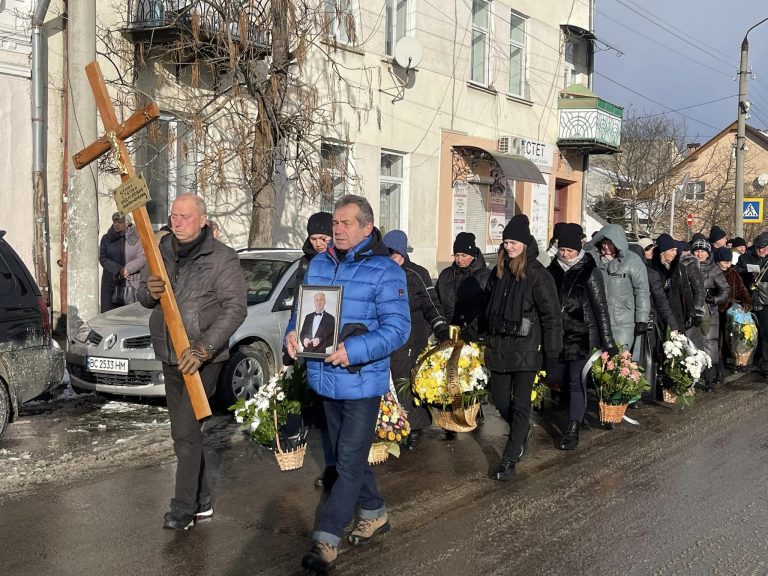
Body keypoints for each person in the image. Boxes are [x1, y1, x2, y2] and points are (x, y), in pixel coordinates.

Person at [284, 195, 409, 574]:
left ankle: (326, 539)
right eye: (335, 223)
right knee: (344, 456)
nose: (337, 230)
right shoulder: (319, 263)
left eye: (346, 223)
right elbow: (301, 311)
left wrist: (353, 350)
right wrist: (292, 334)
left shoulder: (386, 271)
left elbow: (398, 329)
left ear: (367, 228)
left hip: (361, 381)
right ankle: (374, 511)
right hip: (324, 379)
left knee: (349, 462)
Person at [137, 194, 247, 531]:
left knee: (185, 431)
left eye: (185, 216)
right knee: (183, 431)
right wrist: (149, 291)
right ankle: (202, 500)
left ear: (203, 220)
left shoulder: (222, 257)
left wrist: (203, 348)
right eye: (174, 215)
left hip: (202, 358)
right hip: (169, 352)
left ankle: (183, 508)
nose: (177, 222)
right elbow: (142, 296)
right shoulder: (160, 250)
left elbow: (235, 309)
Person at [484, 215, 562, 481]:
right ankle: (522, 431)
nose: (509, 247)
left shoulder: (538, 276)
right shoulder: (498, 272)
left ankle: (508, 460)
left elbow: (552, 318)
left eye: (514, 242)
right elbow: (488, 307)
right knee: (500, 401)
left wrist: (552, 355)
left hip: (526, 350)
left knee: (520, 406)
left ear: (525, 243)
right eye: (506, 242)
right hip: (499, 347)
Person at [546, 223, 616, 450]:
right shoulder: (552, 270)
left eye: (570, 250)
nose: (565, 254)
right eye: (562, 250)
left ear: (578, 250)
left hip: (582, 335)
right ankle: (573, 414)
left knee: (575, 381)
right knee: (558, 377)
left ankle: (573, 428)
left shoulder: (589, 270)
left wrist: (608, 342)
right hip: (557, 335)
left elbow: (600, 308)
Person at [383, 229, 450, 451]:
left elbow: (431, 303)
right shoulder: (381, 272)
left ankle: (414, 428)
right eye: (386, 253)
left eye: (393, 254)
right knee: (388, 382)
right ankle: (390, 426)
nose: (390, 258)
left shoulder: (416, 274)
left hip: (412, 336)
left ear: (402, 253)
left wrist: (440, 327)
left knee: (405, 382)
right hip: (387, 336)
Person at [288, 211, 334, 488]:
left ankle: (339, 466)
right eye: (314, 238)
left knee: (333, 408)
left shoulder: (339, 260)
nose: (318, 243)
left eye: (323, 238)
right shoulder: (305, 264)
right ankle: (330, 464)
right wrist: (291, 333)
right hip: (309, 342)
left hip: (334, 342)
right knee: (319, 406)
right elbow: (298, 304)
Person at [628, 243, 679, 403]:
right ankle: (636, 393)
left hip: (646, 323)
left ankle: (641, 393)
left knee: (644, 359)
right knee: (639, 359)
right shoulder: (627, 273)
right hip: (634, 322)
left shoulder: (649, 274)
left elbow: (661, 301)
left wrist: (672, 325)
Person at [590, 224, 651, 355]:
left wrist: (642, 319)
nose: (606, 247)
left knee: (620, 360)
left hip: (624, 321)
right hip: (599, 321)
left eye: (610, 243)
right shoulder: (594, 261)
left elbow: (641, 291)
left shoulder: (633, 261)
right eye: (603, 243)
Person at [649, 234, 707, 352]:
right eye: (672, 250)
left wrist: (692, 313)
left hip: (677, 314)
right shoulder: (652, 268)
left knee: (677, 349)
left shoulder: (679, 267)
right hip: (658, 315)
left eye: (676, 250)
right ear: (662, 251)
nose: (675, 253)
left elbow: (686, 290)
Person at [435, 232, 491, 342]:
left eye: (464, 255)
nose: (459, 260)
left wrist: (471, 331)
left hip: (474, 338)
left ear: (473, 254)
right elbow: (435, 304)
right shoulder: (446, 275)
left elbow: (487, 309)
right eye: (456, 255)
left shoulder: (486, 276)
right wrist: (441, 328)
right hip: (447, 336)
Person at [692, 238, 729, 390]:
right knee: (692, 343)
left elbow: (725, 290)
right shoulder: (687, 267)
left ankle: (709, 378)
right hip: (691, 310)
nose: (699, 254)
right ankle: (692, 377)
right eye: (697, 251)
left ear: (708, 254)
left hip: (709, 311)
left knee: (709, 343)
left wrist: (714, 299)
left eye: (702, 251)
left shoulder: (714, 270)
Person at [99, 212, 146, 313]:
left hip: (132, 283)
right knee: (110, 316)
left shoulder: (138, 239)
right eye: (115, 221)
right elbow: (103, 258)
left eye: (120, 222)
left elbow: (143, 257)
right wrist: (118, 270)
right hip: (111, 283)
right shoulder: (106, 239)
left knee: (131, 315)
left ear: (127, 223)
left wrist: (127, 269)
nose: (116, 224)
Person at [714, 246, 751, 372]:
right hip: (716, 311)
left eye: (729, 262)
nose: (727, 264)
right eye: (725, 262)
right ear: (718, 261)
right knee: (717, 339)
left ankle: (728, 361)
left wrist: (746, 300)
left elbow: (741, 289)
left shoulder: (733, 274)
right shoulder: (713, 272)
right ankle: (718, 364)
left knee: (730, 337)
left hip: (730, 312)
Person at [736, 232, 768, 376]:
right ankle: (747, 361)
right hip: (748, 301)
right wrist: (747, 271)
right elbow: (736, 272)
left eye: (763, 248)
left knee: (765, 335)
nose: (760, 250)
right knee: (748, 334)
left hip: (765, 303)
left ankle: (765, 365)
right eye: (758, 248)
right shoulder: (745, 257)